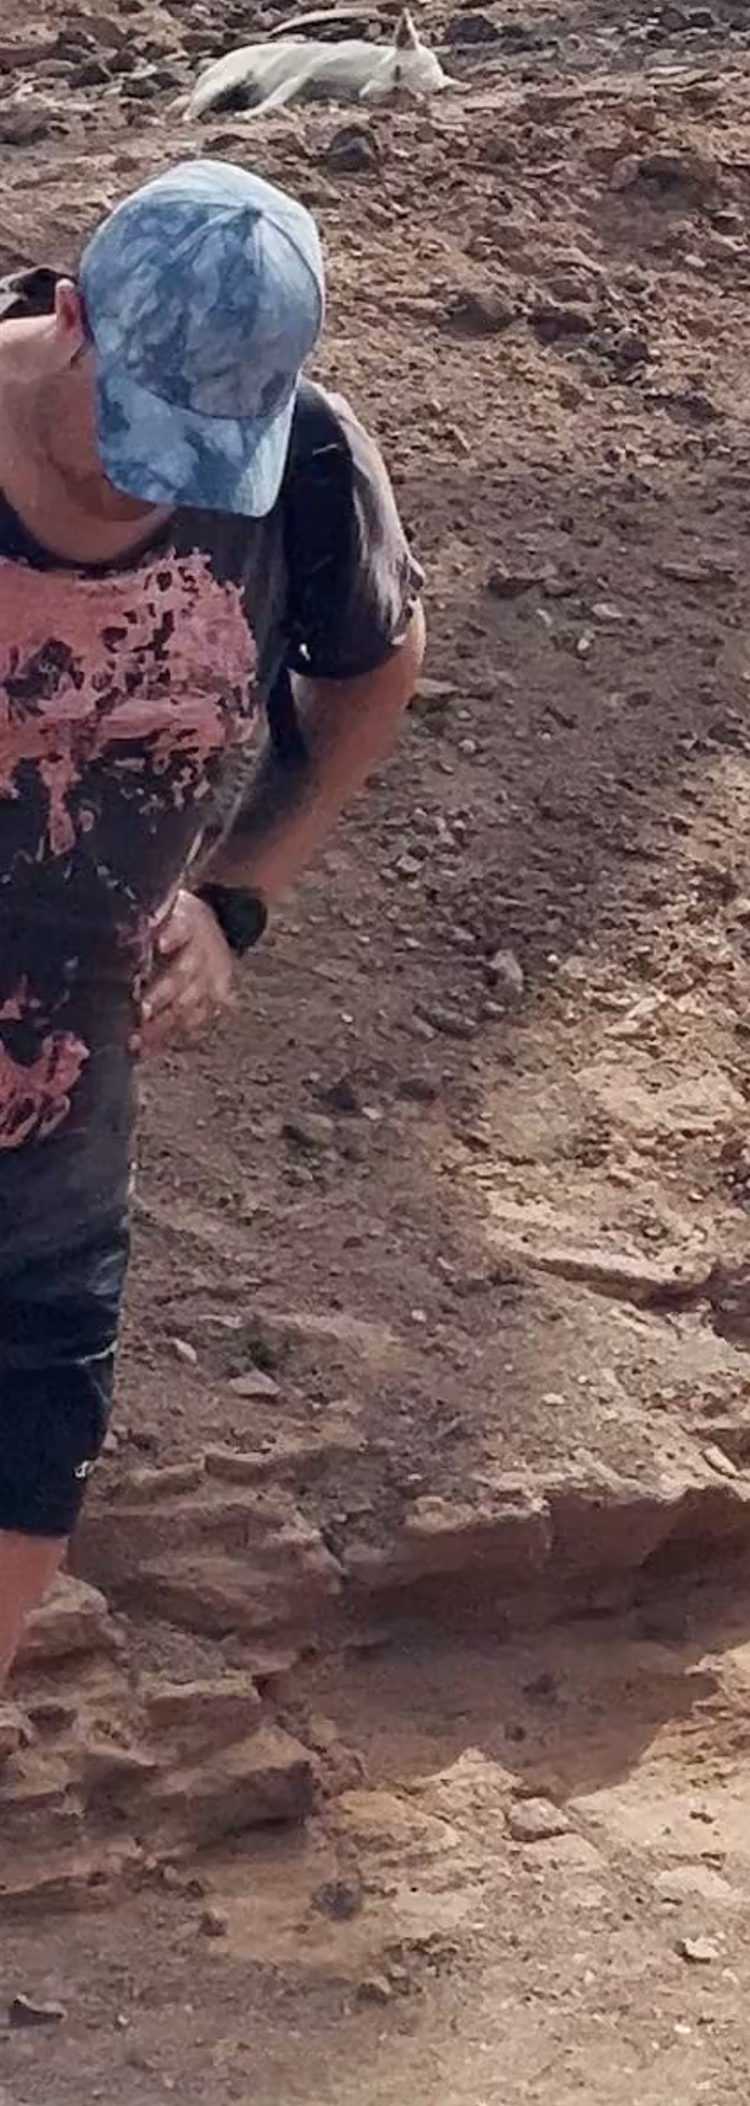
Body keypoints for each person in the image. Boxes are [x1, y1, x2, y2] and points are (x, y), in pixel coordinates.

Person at [1, 164, 426, 1690]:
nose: (148, 484)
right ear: (69, 318)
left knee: (35, 1410)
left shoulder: (302, 464)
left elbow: (373, 664)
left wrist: (239, 893)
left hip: (48, 1144)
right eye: (129, 436)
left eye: (193, 458)